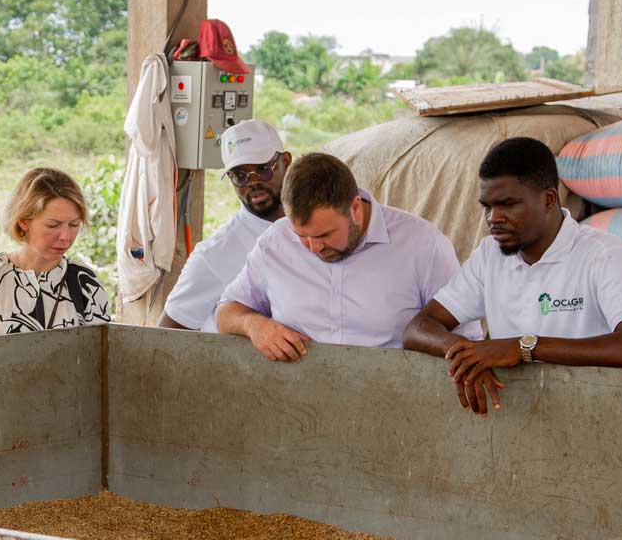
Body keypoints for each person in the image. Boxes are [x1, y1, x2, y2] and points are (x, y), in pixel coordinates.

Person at [404, 137, 622, 415]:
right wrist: (469, 356)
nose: (493, 218)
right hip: (517, 421)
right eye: (487, 206)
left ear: (548, 199)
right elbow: (418, 328)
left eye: (508, 204)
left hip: (595, 417)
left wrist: (524, 347)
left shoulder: (604, 254)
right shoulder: (490, 254)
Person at [216, 152, 474, 361]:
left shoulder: (424, 246)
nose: (313, 248)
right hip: (294, 400)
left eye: (324, 235)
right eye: (301, 235)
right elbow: (227, 311)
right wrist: (255, 326)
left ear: (355, 208)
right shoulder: (275, 242)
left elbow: (465, 338)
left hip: (393, 399)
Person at [162, 120, 292, 332]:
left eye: (263, 170)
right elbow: (166, 336)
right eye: (240, 176)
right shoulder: (213, 256)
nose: (253, 182)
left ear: (286, 162)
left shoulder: (314, 231)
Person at [0, 167, 112, 335]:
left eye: (74, 224)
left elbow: (101, 347)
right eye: (53, 225)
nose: (66, 237)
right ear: (23, 221)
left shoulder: (86, 282)